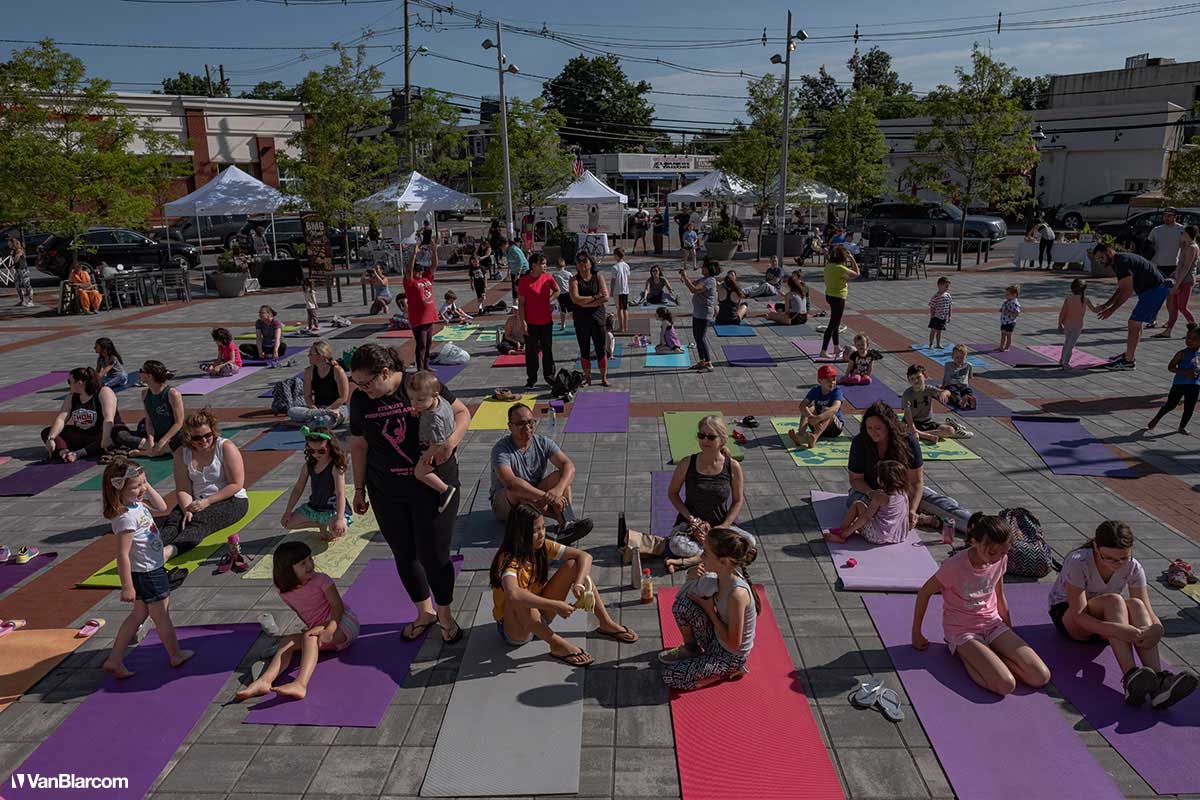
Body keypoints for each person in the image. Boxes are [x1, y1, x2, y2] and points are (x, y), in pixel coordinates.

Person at [349, 344, 468, 643]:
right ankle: (424, 612)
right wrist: (359, 489)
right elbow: (360, 445)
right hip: (386, 490)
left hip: (433, 486)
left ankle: (444, 615)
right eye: (357, 384)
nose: (362, 389)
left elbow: (462, 412)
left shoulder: (418, 384)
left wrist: (451, 442)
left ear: (386, 373)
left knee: (434, 554)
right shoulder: (360, 400)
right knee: (404, 553)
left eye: (366, 383)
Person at [1048, 520, 1198, 708]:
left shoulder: (1133, 566)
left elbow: (1146, 607)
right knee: (1114, 600)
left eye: (1123, 558)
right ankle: (1130, 676)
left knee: (1134, 604)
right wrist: (1117, 629)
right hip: (1071, 618)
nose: (1117, 564)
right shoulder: (1078, 561)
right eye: (1109, 558)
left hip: (1108, 621)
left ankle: (1158, 683)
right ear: (1096, 547)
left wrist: (1156, 629)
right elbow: (1079, 614)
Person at [912, 515, 1051, 697]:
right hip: (962, 630)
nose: (997, 558)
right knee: (1005, 685)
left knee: (1040, 677)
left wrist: (1008, 627)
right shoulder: (954, 566)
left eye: (1003, 552)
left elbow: (999, 594)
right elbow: (925, 592)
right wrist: (916, 633)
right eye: (992, 553)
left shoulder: (1001, 558)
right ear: (975, 542)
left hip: (992, 624)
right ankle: (962, 652)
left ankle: (988, 656)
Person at [491, 504, 636, 666]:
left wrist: (579, 583)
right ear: (519, 534)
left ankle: (606, 623)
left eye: (543, 528)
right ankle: (557, 644)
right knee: (519, 597)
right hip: (516, 629)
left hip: (540, 617)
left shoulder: (543, 546)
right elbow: (513, 594)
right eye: (535, 531)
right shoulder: (508, 559)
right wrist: (556, 605)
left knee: (573, 565)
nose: (541, 534)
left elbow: (585, 557)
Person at [99, 458, 192, 679]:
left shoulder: (135, 504)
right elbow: (122, 555)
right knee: (162, 617)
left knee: (139, 615)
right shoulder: (125, 518)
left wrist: (145, 485)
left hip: (149, 569)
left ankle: (114, 660)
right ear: (119, 488)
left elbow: (162, 507)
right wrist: (127, 587)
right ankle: (175, 655)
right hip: (148, 573)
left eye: (144, 483)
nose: (142, 489)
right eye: (136, 486)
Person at [622, 416, 749, 574]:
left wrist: (723, 527)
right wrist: (692, 520)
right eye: (701, 435)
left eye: (711, 437)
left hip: (719, 526)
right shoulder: (687, 463)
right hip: (689, 526)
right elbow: (672, 493)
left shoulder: (733, 466)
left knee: (749, 543)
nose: (705, 440)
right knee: (679, 546)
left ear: (722, 439)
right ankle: (715, 555)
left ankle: (688, 561)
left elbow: (737, 501)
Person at [235, 541, 359, 701]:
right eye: (302, 563)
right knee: (287, 641)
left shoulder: (322, 580)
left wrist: (330, 628)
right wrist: (313, 629)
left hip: (344, 623)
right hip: (323, 629)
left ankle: (300, 684)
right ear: (288, 570)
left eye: (310, 559)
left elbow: (337, 607)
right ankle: (264, 682)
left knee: (309, 636)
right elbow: (302, 612)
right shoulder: (284, 591)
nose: (310, 565)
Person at [658, 528, 759, 690]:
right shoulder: (717, 577)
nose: (701, 557)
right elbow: (682, 597)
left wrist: (710, 611)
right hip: (717, 639)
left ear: (724, 562)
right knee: (682, 606)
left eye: (706, 554)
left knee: (669, 676)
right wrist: (690, 576)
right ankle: (692, 650)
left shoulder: (737, 595)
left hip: (730, 655)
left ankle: (729, 671)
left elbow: (734, 644)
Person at [157, 410, 250, 574]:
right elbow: (183, 488)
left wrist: (207, 502)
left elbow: (236, 484)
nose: (204, 440)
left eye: (207, 435)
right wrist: (186, 508)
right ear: (188, 437)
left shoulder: (225, 447)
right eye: (197, 438)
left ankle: (168, 552)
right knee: (175, 520)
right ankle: (151, 550)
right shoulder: (181, 453)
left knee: (200, 523)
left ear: (213, 431)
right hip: (197, 499)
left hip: (230, 499)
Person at [489, 403, 593, 543]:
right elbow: (511, 483)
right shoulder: (501, 450)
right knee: (516, 490)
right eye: (520, 423)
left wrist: (558, 490)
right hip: (506, 503)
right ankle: (560, 517)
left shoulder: (542, 442)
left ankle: (566, 525)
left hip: (534, 496)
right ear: (510, 426)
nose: (527, 427)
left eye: (530, 422)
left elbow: (568, 466)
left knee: (561, 477)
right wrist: (548, 497)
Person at [1092, 243, 1171, 370]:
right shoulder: (1120, 261)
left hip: (1154, 290)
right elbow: (1122, 288)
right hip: (1153, 290)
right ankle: (1129, 356)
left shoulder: (1121, 262)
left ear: (1109, 252)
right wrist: (1106, 305)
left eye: (1101, 258)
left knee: (1133, 323)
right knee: (1136, 324)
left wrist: (1110, 310)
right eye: (1098, 260)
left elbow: (1127, 291)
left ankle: (1128, 361)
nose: (1101, 262)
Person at [848, 402, 924, 530]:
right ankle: (919, 518)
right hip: (870, 490)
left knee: (941, 504)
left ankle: (967, 525)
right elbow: (855, 480)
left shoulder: (908, 441)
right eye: (869, 428)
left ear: (889, 426)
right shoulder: (860, 442)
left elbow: (916, 482)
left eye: (878, 428)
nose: (873, 432)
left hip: (901, 492)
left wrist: (912, 509)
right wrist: (871, 492)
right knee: (855, 503)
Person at [42, 367, 141, 462]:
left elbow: (108, 418)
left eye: (70, 381)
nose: (69, 385)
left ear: (80, 383)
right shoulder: (72, 397)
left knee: (114, 434)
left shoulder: (103, 392)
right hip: (84, 435)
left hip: (103, 433)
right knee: (47, 432)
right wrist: (51, 438)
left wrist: (106, 438)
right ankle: (63, 452)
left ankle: (79, 453)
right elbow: (61, 419)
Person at [279, 426, 351, 541]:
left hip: (333, 509)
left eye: (321, 451)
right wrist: (287, 512)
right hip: (315, 507)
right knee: (287, 523)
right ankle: (321, 524)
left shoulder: (335, 467)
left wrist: (339, 518)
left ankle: (332, 523)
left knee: (339, 531)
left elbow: (340, 494)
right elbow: (298, 489)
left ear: (330, 447)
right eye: (311, 450)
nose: (316, 454)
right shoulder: (309, 466)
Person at [408, 370, 459, 513]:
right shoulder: (438, 401)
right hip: (447, 434)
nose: (414, 403)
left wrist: (428, 454)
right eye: (412, 399)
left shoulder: (433, 419)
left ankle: (445, 490)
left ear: (434, 395)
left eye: (419, 400)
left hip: (437, 446)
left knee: (420, 472)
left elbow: (439, 442)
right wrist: (419, 409)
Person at [825, 460, 911, 545]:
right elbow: (905, 514)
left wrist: (848, 531)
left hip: (877, 536)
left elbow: (866, 516)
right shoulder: (903, 493)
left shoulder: (880, 497)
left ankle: (842, 534)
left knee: (857, 504)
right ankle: (846, 532)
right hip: (896, 534)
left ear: (881, 481)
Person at [518, 252, 559, 390]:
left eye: (545, 263)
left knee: (548, 350)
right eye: (542, 263)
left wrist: (551, 299)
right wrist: (522, 321)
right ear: (534, 265)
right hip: (531, 323)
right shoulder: (524, 281)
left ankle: (549, 376)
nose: (545, 266)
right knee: (531, 351)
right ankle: (532, 378)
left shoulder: (548, 278)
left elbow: (557, 290)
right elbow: (521, 304)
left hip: (546, 322)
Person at [1147, 326, 1200, 434]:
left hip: (1195, 385)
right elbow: (1171, 367)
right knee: (1171, 404)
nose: (1189, 341)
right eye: (1188, 338)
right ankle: (1157, 418)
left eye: (1194, 339)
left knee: (1189, 408)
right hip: (1179, 384)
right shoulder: (1182, 353)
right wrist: (1185, 372)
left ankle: (1182, 427)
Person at [569, 253, 611, 386]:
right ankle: (587, 378)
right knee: (584, 350)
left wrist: (585, 303)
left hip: (597, 318)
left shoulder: (598, 276)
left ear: (591, 263)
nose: (582, 265)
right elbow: (575, 299)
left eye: (584, 261)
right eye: (579, 262)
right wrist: (594, 298)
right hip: (581, 320)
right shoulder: (574, 280)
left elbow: (605, 297)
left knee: (601, 348)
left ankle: (603, 378)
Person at [288, 341, 351, 429]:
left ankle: (308, 423)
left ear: (320, 355)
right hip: (318, 408)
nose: (308, 356)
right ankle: (314, 422)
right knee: (292, 411)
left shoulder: (337, 371)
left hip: (337, 408)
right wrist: (315, 409)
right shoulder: (309, 371)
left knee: (327, 421)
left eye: (311, 354)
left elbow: (343, 398)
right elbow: (307, 396)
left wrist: (328, 410)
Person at [903, 364, 971, 442]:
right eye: (912, 379)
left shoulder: (929, 389)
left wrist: (944, 393)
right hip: (911, 423)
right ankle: (925, 435)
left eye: (918, 377)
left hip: (927, 422)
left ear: (925, 376)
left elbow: (948, 392)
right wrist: (913, 428)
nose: (916, 381)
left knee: (950, 430)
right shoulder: (907, 394)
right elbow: (907, 414)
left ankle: (921, 435)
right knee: (902, 427)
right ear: (908, 380)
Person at [131, 360, 185, 457]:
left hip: (172, 436)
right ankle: (156, 450)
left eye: (141, 371)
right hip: (156, 436)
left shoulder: (172, 394)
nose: (139, 373)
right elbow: (149, 421)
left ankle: (147, 452)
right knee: (122, 436)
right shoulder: (145, 394)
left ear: (150, 376)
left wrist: (163, 441)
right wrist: (151, 442)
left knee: (182, 440)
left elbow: (179, 423)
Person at [1156, 224, 1198, 339]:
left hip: (1186, 281)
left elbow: (1186, 268)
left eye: (1183, 233)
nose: (1181, 235)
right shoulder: (1185, 246)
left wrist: (1177, 285)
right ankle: (1168, 331)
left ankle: (1195, 330)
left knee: (1182, 307)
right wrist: (1174, 274)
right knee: (1174, 306)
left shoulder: (1192, 248)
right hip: (1178, 279)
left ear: (1188, 235)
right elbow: (1180, 265)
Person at [404, 242, 440, 372]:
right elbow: (408, 270)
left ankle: (426, 365)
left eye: (420, 270)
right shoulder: (410, 282)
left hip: (429, 316)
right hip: (418, 318)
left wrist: (434, 251)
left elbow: (434, 266)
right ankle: (420, 369)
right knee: (422, 344)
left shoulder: (426, 279)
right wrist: (414, 254)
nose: (419, 272)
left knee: (429, 343)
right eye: (417, 270)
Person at [679, 260, 719, 373]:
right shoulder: (703, 279)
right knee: (697, 337)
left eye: (704, 267)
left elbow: (694, 289)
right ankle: (702, 361)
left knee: (701, 338)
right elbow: (692, 284)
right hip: (697, 312)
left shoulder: (710, 281)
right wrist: (684, 277)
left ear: (709, 269)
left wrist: (685, 278)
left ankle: (709, 362)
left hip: (704, 313)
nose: (702, 269)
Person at [1146, 208, 1184, 327]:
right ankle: (1153, 319)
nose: (1167, 218)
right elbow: (1147, 246)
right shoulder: (1156, 230)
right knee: (1156, 295)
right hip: (1157, 266)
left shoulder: (1181, 230)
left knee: (1171, 297)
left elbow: (1187, 248)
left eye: (1170, 216)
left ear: (1175, 217)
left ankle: (1170, 321)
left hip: (1174, 266)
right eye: (1165, 215)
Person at [821, 246, 860, 359]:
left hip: (829, 295)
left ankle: (836, 346)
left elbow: (830, 256)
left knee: (836, 323)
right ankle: (823, 350)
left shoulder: (829, 265)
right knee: (833, 324)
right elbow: (857, 273)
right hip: (838, 298)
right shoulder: (840, 268)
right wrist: (852, 258)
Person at [1058, 278, 1097, 369]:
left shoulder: (1068, 298)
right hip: (1077, 326)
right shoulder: (1085, 299)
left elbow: (1063, 312)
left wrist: (1060, 323)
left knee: (1067, 342)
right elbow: (1095, 309)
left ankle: (1062, 359)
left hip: (1067, 324)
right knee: (1070, 345)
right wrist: (1105, 306)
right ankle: (1065, 362)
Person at [941, 344, 977, 411]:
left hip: (963, 385)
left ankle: (970, 400)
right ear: (952, 357)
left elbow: (968, 378)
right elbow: (945, 376)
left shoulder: (968, 365)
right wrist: (943, 385)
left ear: (965, 357)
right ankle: (960, 402)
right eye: (957, 357)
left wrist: (967, 386)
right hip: (952, 385)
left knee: (968, 391)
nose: (959, 359)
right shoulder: (948, 365)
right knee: (955, 393)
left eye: (962, 358)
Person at [8, 235, 33, 307]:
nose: (9, 245)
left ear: (14, 243)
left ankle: (31, 301)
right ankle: (22, 301)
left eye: (10, 244)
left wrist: (14, 256)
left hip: (23, 270)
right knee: (17, 285)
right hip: (17, 270)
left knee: (27, 285)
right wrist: (11, 266)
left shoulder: (19, 250)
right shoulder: (13, 251)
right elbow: (14, 261)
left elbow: (16, 259)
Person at [610, 247, 631, 332]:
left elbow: (613, 280)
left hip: (617, 290)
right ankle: (626, 327)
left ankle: (621, 327)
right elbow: (627, 276)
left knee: (619, 309)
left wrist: (611, 290)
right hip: (625, 290)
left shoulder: (615, 267)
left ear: (616, 256)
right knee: (625, 309)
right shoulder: (627, 265)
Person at [502, 238, 529, 303]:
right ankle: (515, 305)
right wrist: (508, 272)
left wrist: (518, 275)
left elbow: (521, 262)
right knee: (514, 289)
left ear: (507, 244)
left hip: (522, 271)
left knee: (521, 288)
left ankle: (525, 303)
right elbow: (509, 262)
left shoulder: (514, 250)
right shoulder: (507, 251)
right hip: (514, 271)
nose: (502, 248)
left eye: (502, 246)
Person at [928, 276, 952, 349]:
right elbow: (932, 306)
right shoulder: (936, 296)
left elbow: (949, 306)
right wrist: (932, 315)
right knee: (933, 330)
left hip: (943, 317)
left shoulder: (948, 295)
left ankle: (938, 343)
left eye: (948, 286)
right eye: (946, 286)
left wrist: (949, 316)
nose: (947, 288)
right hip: (936, 316)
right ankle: (931, 344)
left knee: (939, 331)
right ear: (939, 285)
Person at [998, 285, 1021, 353]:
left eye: (1008, 294)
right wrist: (1002, 309)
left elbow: (1016, 314)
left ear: (1014, 295)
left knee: (1008, 335)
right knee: (1003, 334)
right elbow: (1004, 308)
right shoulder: (1007, 301)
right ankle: (1001, 347)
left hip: (1010, 322)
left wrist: (1007, 312)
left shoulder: (1015, 303)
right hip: (1004, 321)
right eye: (1006, 294)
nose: (1006, 296)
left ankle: (1007, 347)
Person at [552, 258, 574, 329]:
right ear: (564, 265)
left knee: (562, 309)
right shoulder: (569, 274)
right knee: (571, 309)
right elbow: (573, 282)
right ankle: (576, 322)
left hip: (560, 294)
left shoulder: (554, 275)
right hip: (568, 293)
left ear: (556, 266)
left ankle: (563, 324)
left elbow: (553, 285)